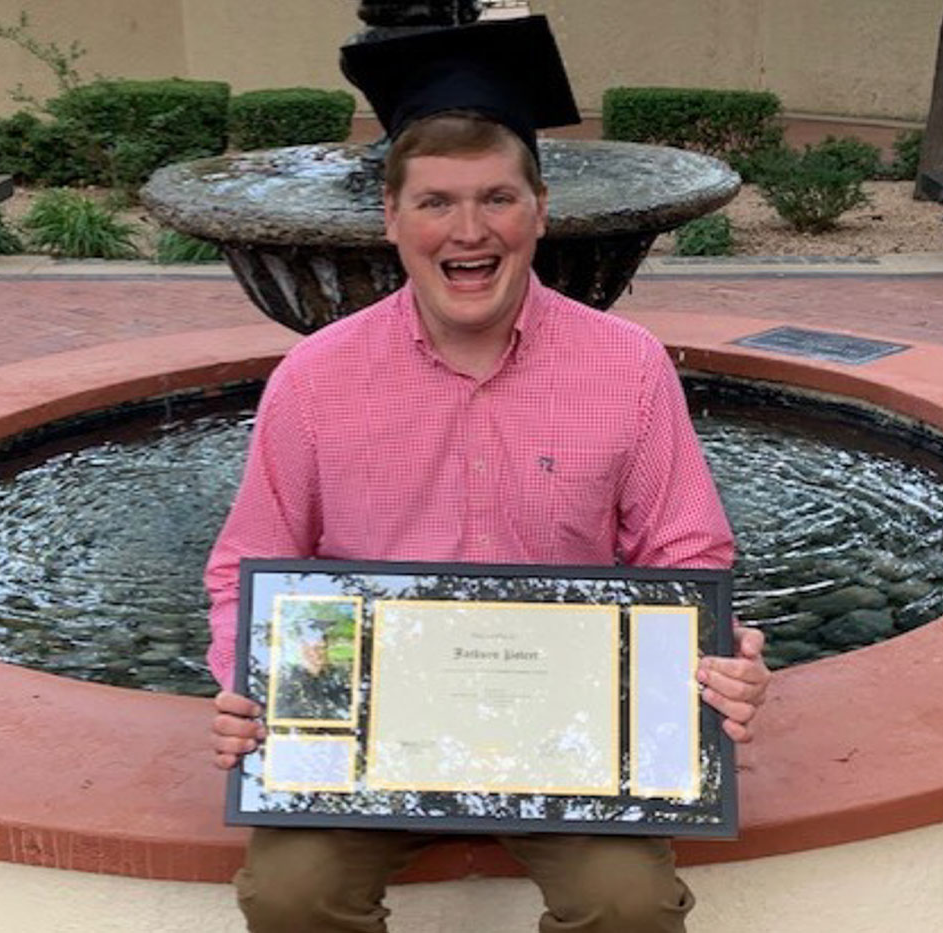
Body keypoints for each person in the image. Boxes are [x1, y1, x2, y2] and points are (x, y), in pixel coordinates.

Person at [204, 16, 771, 933]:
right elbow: (247, 564)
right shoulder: (316, 378)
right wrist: (250, 677)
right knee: (290, 891)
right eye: (435, 202)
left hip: (570, 733)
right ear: (391, 219)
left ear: (539, 211)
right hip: (369, 733)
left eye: (497, 198)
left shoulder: (625, 366)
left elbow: (685, 553)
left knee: (628, 905)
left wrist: (721, 654)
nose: (468, 232)